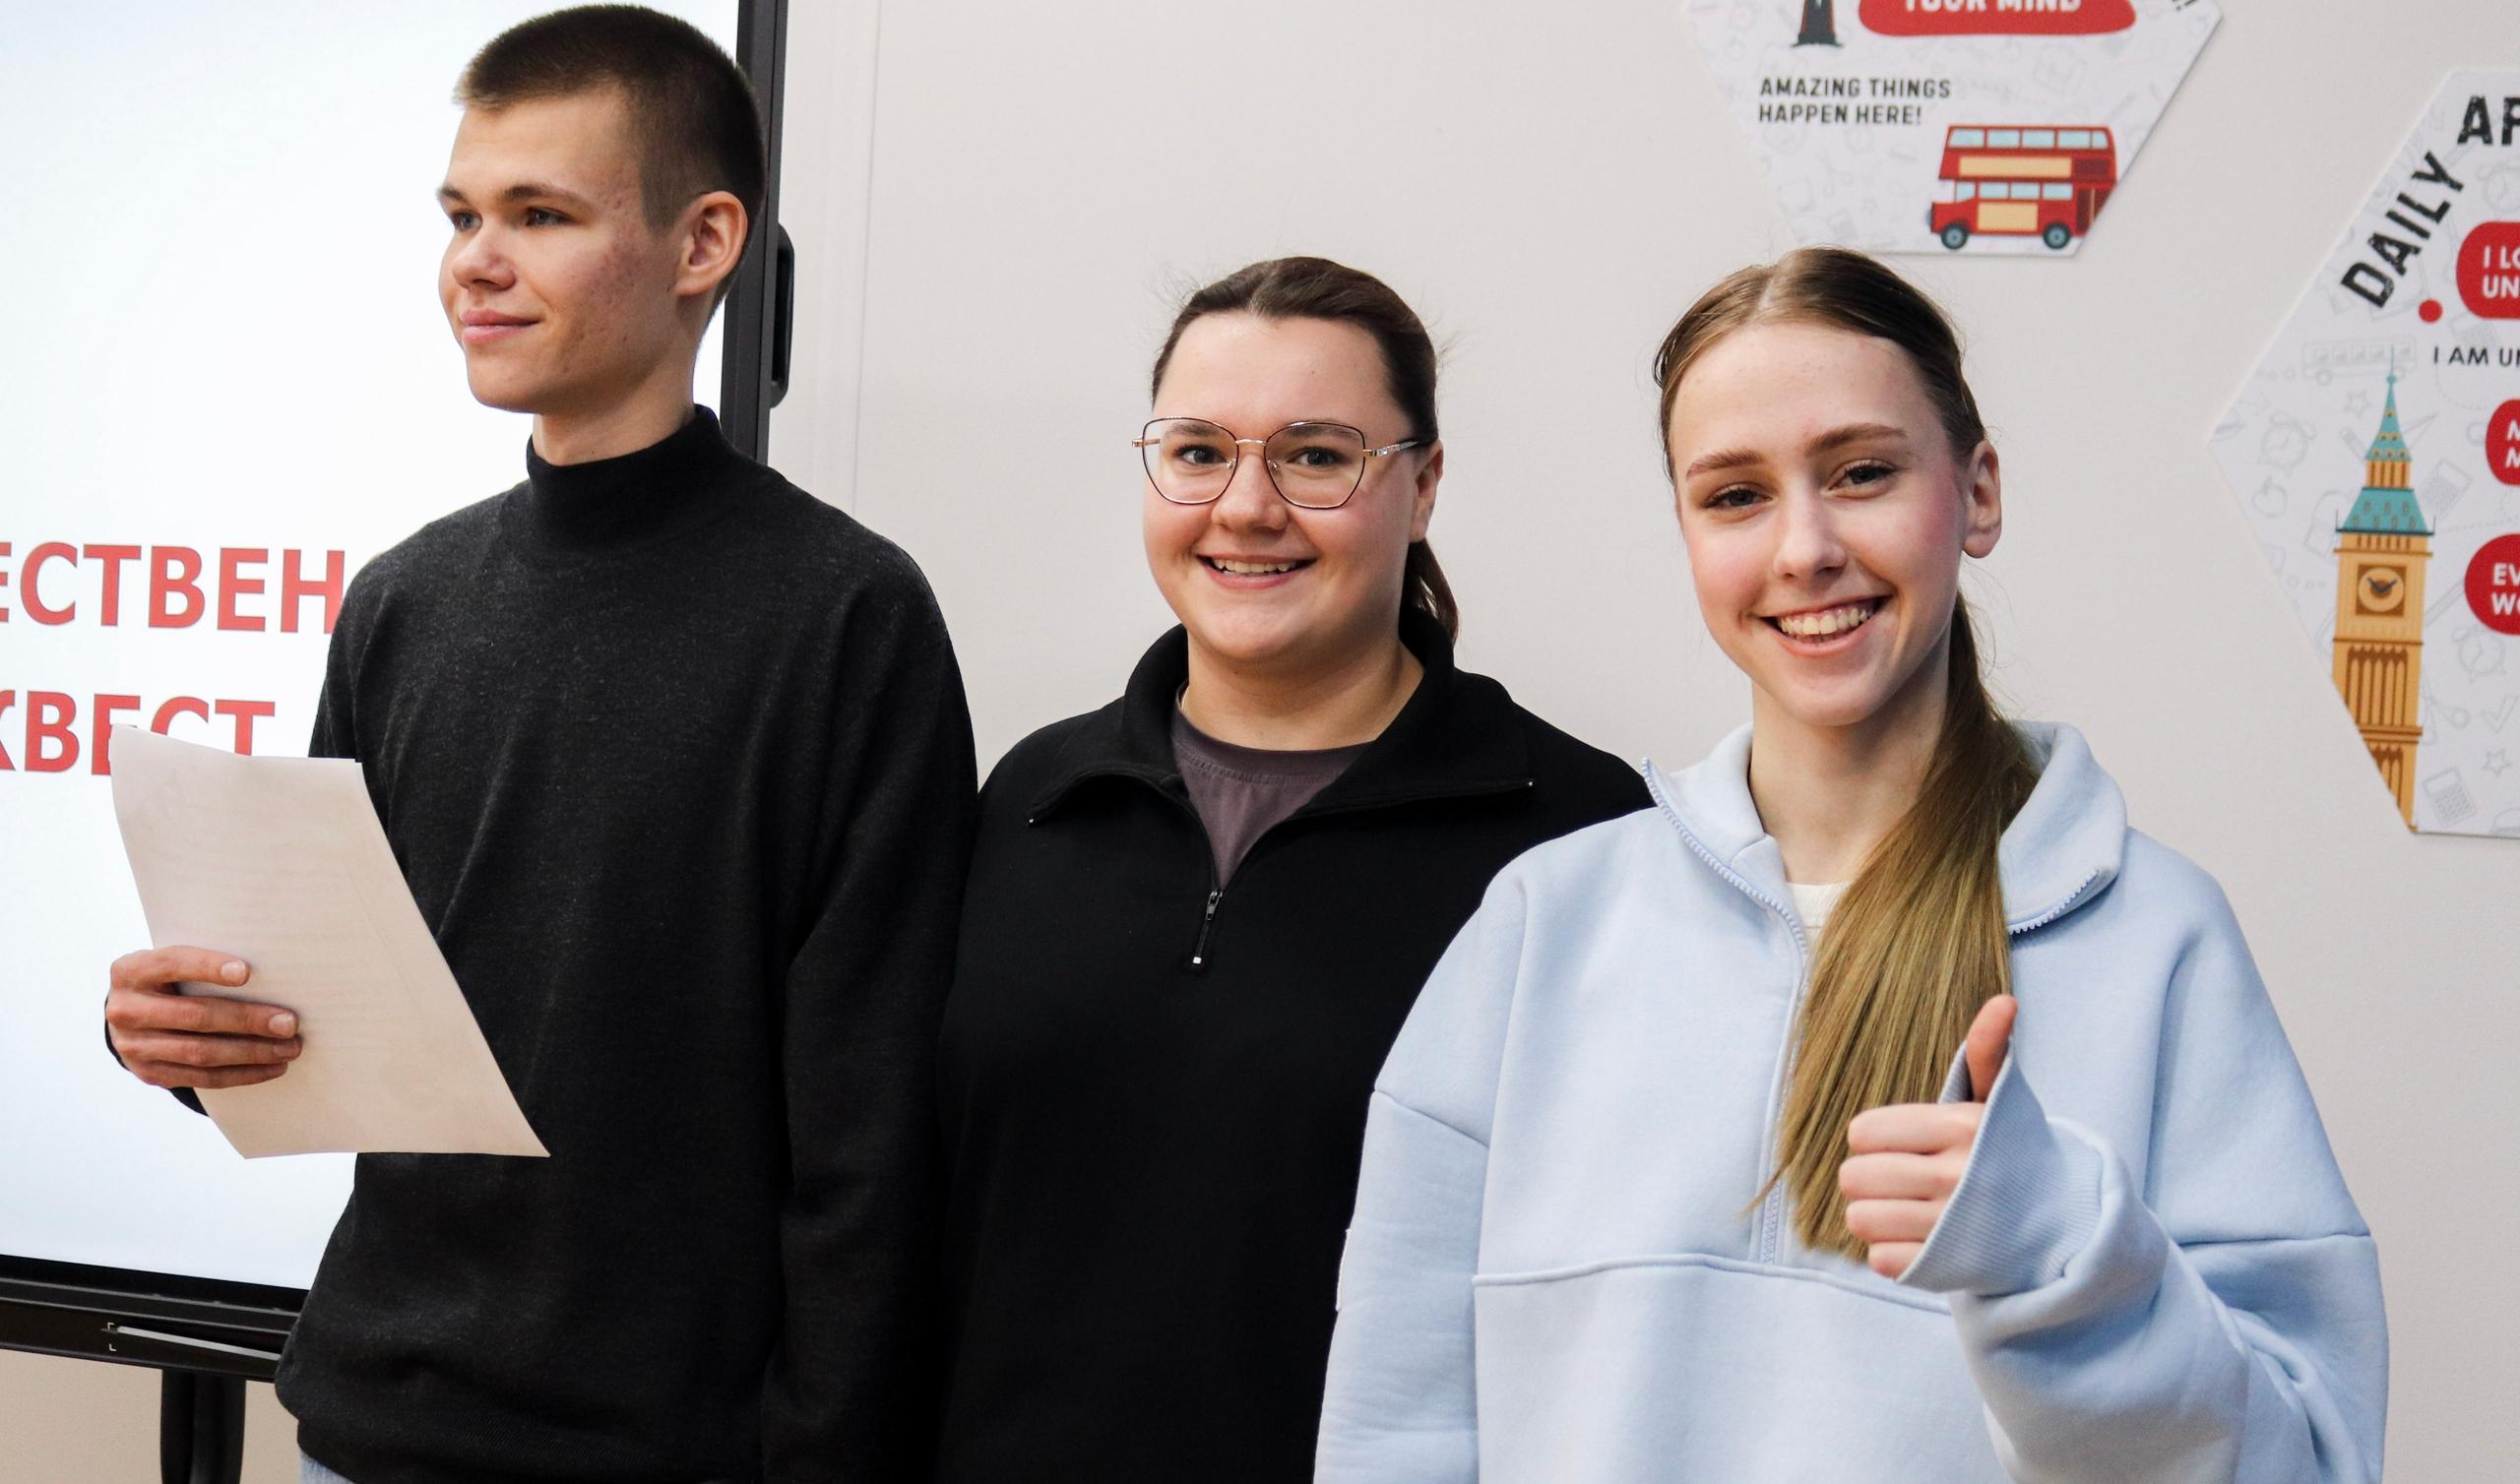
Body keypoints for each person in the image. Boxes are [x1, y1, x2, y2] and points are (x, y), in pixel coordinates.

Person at [1315, 246, 2388, 1482]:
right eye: (1735, 495)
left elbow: (2307, 1461)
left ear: (1976, 492)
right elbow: (1394, 1434)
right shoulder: (1542, 923)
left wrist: (2065, 1260)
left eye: (1861, 472)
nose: (1804, 547)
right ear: (1685, 534)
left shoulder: (2157, 941)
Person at [99, 6, 976, 1483]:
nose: (475, 263)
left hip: (673, 1451)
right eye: (460, 216)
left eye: (540, 215)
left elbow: (871, 1137)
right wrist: (187, 1038)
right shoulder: (406, 598)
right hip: (365, 1427)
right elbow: (339, 1020)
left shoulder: (846, 617)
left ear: (703, 243)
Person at [930, 257, 1650, 1482]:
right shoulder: (1032, 798)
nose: (1246, 505)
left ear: (1422, 485)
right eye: (1199, 451)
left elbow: (1611, 1300)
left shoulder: (1580, 837)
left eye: (1316, 456)